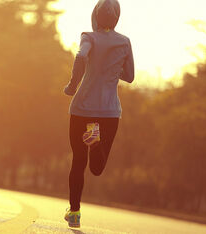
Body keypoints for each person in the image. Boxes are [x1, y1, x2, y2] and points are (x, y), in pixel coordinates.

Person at [63, 0, 134, 228]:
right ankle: (96, 143)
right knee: (97, 168)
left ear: (95, 15)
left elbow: (82, 56)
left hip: (83, 108)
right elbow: (130, 76)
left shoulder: (88, 37)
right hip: (109, 112)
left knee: (78, 162)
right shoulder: (124, 42)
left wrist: (73, 85)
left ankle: (74, 212)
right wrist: (112, 68)